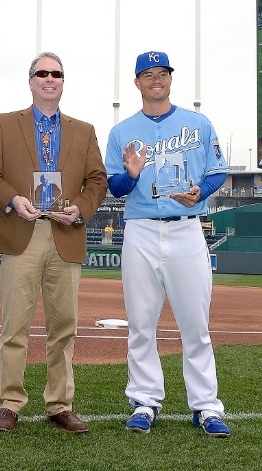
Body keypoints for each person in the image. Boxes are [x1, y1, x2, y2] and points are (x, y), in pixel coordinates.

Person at [0, 51, 107, 434]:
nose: (49, 79)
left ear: (63, 82)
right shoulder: (5, 123)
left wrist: (81, 209)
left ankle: (60, 404)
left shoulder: (83, 130)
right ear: (31, 80)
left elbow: (97, 180)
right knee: (14, 324)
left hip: (65, 231)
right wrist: (12, 199)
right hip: (22, 230)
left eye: (56, 74)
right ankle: (10, 402)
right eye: (42, 73)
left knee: (64, 325)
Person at [105, 51, 230, 437]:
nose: (156, 80)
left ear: (170, 79)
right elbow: (114, 187)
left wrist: (201, 192)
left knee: (196, 325)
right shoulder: (122, 132)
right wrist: (130, 175)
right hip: (141, 229)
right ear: (137, 82)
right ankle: (144, 401)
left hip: (187, 228)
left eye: (162, 73)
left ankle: (206, 406)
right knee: (141, 324)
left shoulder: (198, 122)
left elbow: (217, 171)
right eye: (148, 74)